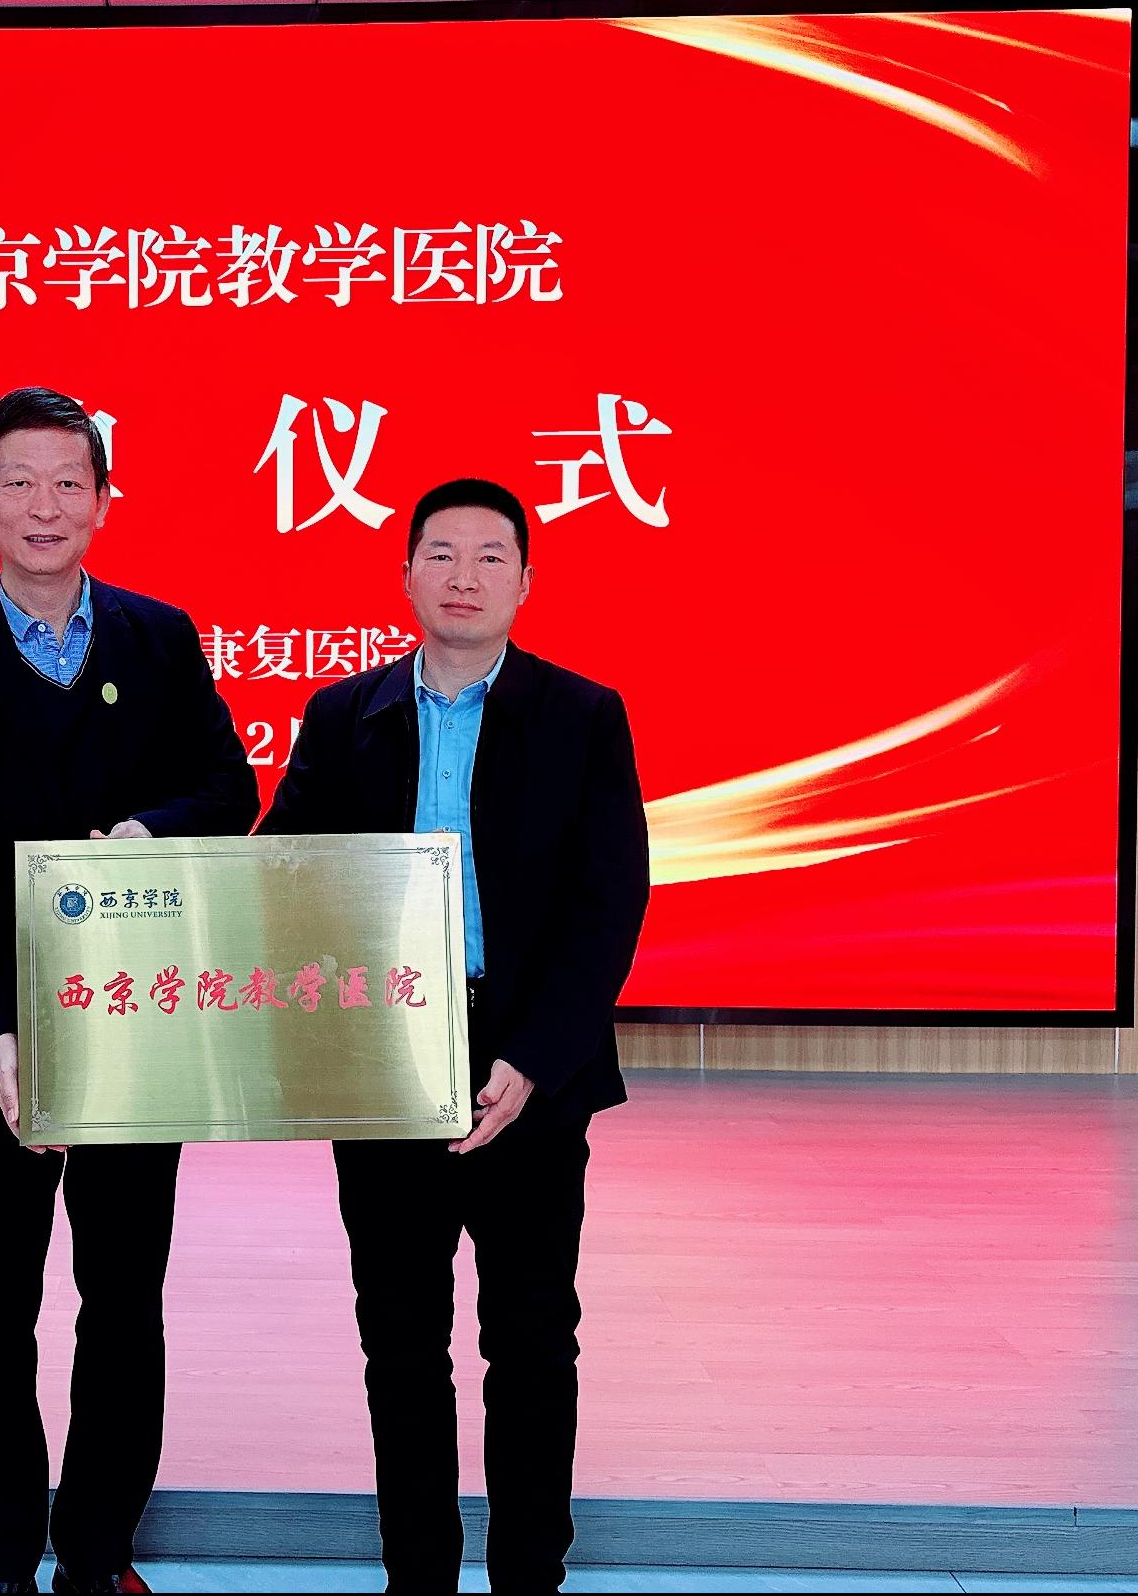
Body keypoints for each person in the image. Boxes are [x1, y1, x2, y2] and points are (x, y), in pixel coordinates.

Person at [0, 387, 258, 1595]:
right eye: (19, 482)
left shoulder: (158, 638)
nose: (44, 506)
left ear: (104, 499)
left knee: (122, 1301)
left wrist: (149, 831)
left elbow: (231, 788)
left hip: (138, 1026)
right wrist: (1, 1031)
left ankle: (98, 1555)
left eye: (68, 482)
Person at [259, 477, 650, 1593]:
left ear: (525, 581)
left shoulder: (581, 715)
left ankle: (530, 1576)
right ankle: (417, 1576)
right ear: (406, 578)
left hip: (529, 1061)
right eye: (441, 554)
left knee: (531, 1338)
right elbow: (282, 869)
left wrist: (533, 1059)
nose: (464, 576)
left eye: (490, 557)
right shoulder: (344, 715)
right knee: (398, 1338)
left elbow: (608, 903)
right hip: (382, 1051)